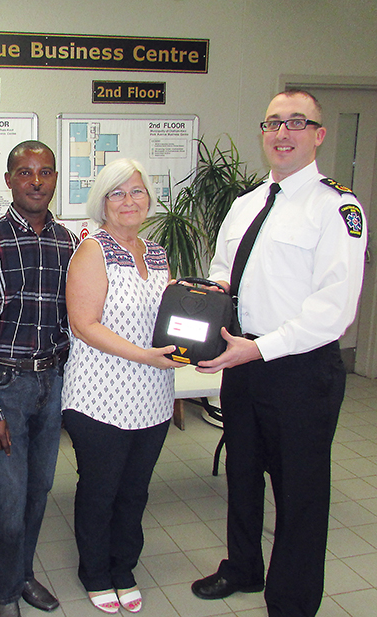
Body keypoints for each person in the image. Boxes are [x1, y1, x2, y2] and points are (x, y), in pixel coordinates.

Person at [191, 90, 367, 617]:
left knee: (300, 493)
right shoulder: (246, 204)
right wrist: (201, 299)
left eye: (297, 122)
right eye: (273, 123)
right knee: (242, 475)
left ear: (318, 134)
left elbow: (333, 309)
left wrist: (261, 349)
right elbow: (225, 270)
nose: (282, 132)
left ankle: (291, 600)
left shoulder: (338, 207)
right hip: (241, 362)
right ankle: (243, 568)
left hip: (298, 370)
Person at [60, 158, 182, 614]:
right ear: (103, 202)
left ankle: (124, 565)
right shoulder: (92, 250)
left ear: (149, 199)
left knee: (136, 489)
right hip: (100, 397)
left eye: (136, 192)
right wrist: (144, 356)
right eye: (117, 193)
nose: (128, 201)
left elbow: (167, 319)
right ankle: (94, 571)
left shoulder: (157, 252)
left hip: (153, 397)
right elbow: (84, 324)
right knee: (101, 488)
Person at [0, 140, 78, 617]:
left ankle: (23, 574)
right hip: (4, 389)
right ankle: (5, 594)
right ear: (8, 180)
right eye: (25, 172)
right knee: (8, 500)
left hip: (50, 386)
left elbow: (76, 320)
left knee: (39, 489)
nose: (36, 181)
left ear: (54, 179)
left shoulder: (68, 243)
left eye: (45, 172)